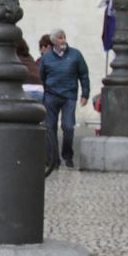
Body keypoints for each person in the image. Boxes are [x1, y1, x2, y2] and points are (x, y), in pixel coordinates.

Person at [40, 29, 90, 173]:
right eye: (60, 38)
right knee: (50, 127)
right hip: (51, 95)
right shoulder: (47, 57)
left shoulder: (75, 55)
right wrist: (47, 91)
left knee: (68, 126)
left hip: (69, 95)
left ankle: (67, 155)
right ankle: (53, 159)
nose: (63, 41)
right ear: (54, 41)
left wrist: (85, 93)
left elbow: (84, 74)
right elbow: (42, 75)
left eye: (64, 37)